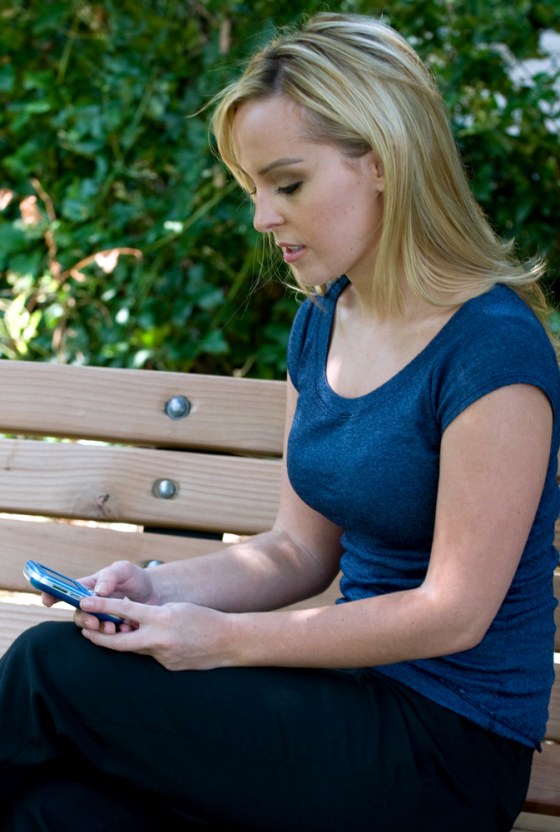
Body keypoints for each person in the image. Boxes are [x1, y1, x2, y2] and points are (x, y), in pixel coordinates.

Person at [1, 12, 558, 832]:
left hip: (445, 747)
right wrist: (159, 588)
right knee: (61, 814)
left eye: (287, 184)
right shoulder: (324, 323)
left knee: (48, 668)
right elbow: (295, 551)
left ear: (381, 162)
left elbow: (453, 611)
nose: (263, 217)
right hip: (335, 709)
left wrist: (222, 640)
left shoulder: (493, 351)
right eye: (253, 188)